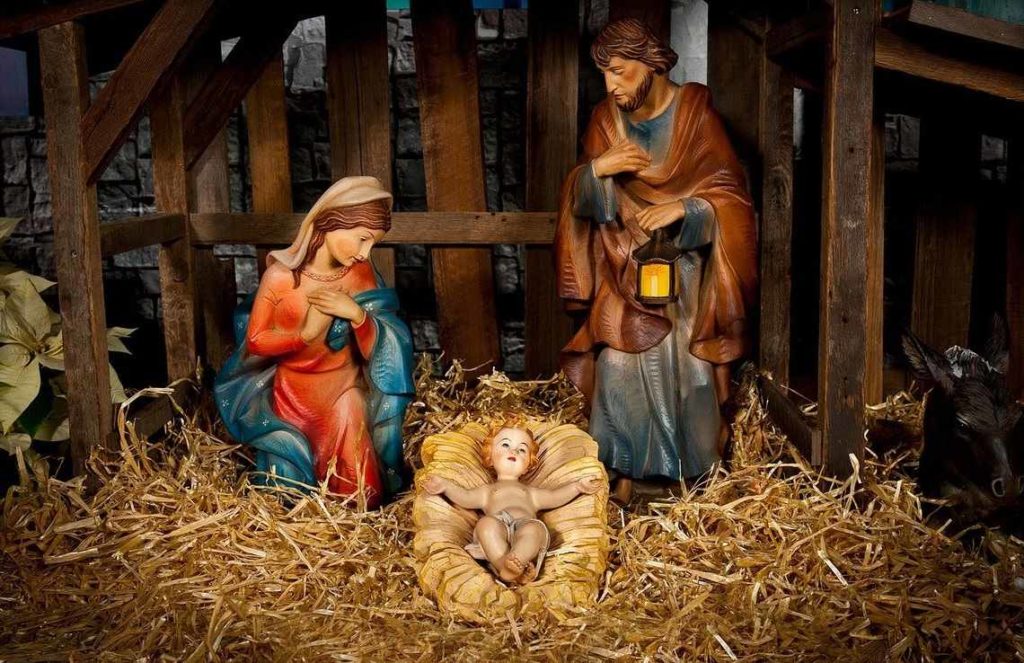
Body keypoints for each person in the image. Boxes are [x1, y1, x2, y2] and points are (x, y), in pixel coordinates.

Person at [555, 19, 758, 503]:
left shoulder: (695, 116)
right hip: (623, 271)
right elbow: (583, 204)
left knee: (690, 371)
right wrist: (597, 171)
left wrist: (688, 208)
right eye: (604, 74)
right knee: (618, 367)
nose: (611, 85)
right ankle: (623, 470)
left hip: (688, 277)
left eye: (620, 71)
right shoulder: (606, 120)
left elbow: (732, 199)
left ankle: (690, 475)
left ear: (650, 65)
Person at [215, 176, 415, 509]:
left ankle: (353, 511)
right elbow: (256, 341)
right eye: (362, 239)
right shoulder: (280, 278)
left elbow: (388, 339)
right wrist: (304, 336)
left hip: (343, 389)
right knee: (286, 491)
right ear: (331, 223)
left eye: (373, 245)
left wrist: (357, 316)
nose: (365, 253)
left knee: (362, 494)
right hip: (292, 393)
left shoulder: (361, 274)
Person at [423, 423, 603, 585]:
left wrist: (577, 486)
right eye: (505, 445)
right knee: (485, 525)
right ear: (490, 456)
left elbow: (555, 496)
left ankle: (518, 561)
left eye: (522, 449)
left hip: (525, 524)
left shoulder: (530, 492)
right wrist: (445, 486)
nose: (514, 451)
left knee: (535, 530)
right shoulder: (488, 491)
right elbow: (465, 497)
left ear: (528, 465)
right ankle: (506, 567)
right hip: (498, 526)